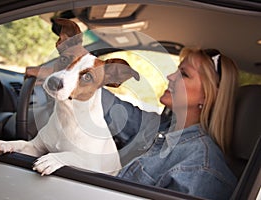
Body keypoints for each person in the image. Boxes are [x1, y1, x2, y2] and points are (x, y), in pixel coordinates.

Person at [100, 47, 239, 200]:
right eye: (177, 70)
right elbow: (111, 108)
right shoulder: (161, 128)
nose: (171, 76)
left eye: (184, 74)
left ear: (207, 96)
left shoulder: (200, 167)